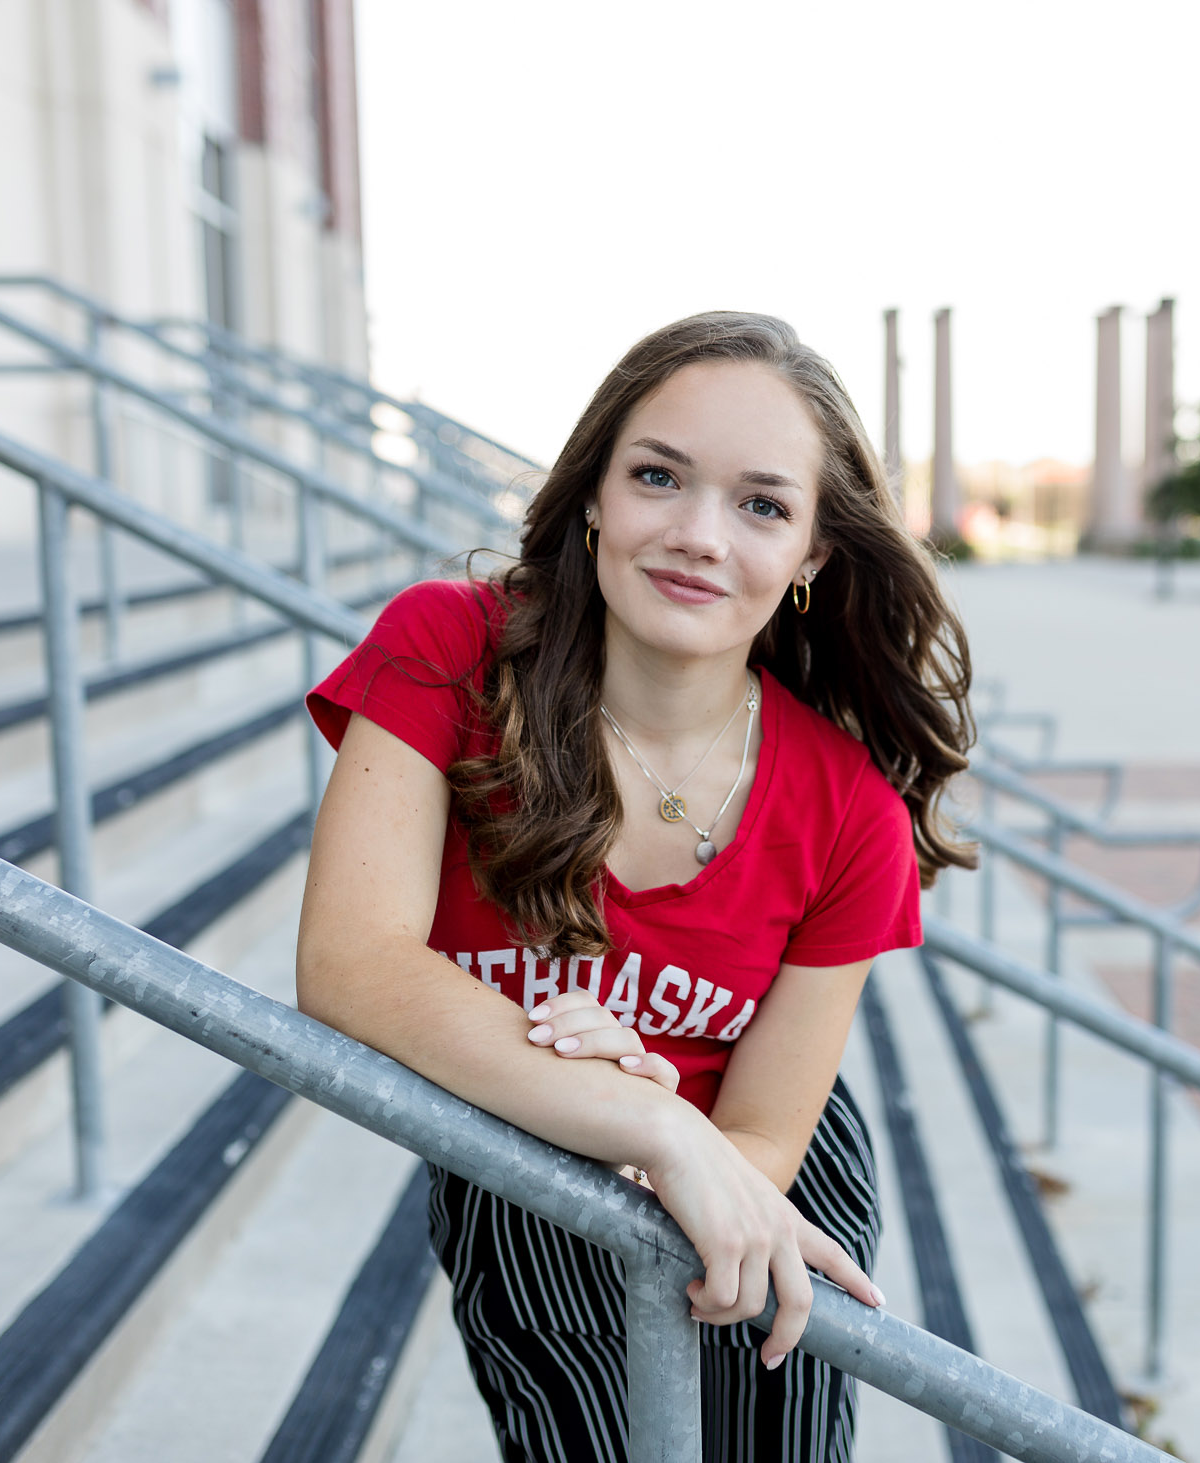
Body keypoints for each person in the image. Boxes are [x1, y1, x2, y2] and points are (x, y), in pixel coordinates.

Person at [296, 311, 973, 1463]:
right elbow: (348, 965)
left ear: (811, 553)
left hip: (762, 1175)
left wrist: (685, 1145)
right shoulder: (448, 651)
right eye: (658, 476)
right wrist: (642, 1121)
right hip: (530, 1170)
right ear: (596, 492)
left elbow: (760, 1125)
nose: (699, 534)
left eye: (762, 503)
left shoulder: (849, 803)